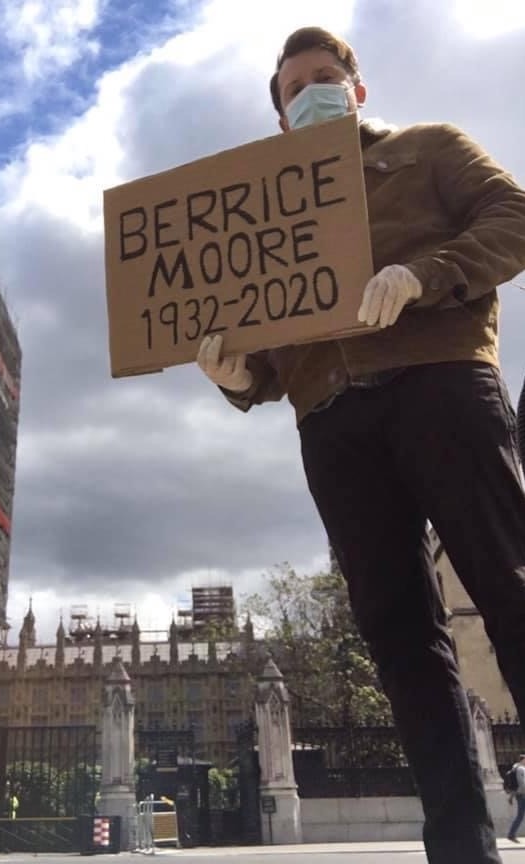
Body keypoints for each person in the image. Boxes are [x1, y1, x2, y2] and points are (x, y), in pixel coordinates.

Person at [197, 25, 525, 864]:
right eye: (293, 87)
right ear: (279, 124)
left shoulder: (431, 148)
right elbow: (264, 365)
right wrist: (231, 374)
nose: (311, 91)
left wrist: (425, 274)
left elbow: (513, 216)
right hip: (331, 420)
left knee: (506, 581)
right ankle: (457, 841)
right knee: (393, 627)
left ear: (357, 87)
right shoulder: (270, 215)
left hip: (441, 378)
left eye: (323, 75)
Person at [508, 755, 525, 843]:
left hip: (520, 794)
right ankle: (511, 834)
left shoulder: (516, 768)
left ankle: (511, 834)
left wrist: (511, 797)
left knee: (520, 816)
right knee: (520, 816)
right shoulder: (520, 769)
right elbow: (521, 783)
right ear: (523, 760)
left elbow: (515, 785)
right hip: (522, 795)